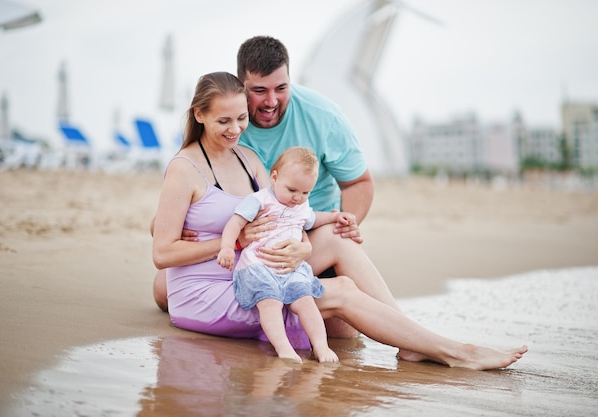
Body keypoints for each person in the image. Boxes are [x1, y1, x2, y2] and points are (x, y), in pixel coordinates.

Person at [152, 70, 528, 370]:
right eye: (223, 121)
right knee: (343, 290)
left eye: (240, 118)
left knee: (332, 236)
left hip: (255, 266)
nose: (235, 128)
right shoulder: (184, 169)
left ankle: (411, 340)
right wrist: (233, 241)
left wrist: (300, 244)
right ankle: (455, 352)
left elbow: (281, 214)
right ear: (199, 115)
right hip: (206, 293)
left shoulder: (247, 158)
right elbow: (163, 254)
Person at [153, 37, 373, 335]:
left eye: (281, 88)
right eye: (259, 91)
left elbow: (358, 182)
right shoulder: (225, 125)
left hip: (308, 226)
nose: (271, 101)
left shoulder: (324, 116)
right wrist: (173, 227)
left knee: (343, 333)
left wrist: (343, 225)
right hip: (247, 237)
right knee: (164, 291)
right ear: (241, 88)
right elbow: (180, 207)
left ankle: (402, 331)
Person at [218, 147, 352, 363]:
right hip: (258, 265)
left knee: (305, 301)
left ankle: (321, 346)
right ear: (274, 177)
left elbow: (312, 219)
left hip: (290, 268)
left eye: (305, 192)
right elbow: (235, 222)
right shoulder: (260, 200)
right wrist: (226, 247)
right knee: (270, 302)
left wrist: (335, 217)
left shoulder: (301, 205)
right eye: (292, 190)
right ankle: (284, 349)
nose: (298, 198)